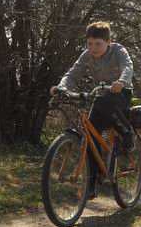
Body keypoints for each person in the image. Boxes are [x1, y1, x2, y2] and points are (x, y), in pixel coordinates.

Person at [50, 21, 134, 199]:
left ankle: (127, 133)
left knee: (103, 101)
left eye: (98, 44)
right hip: (101, 95)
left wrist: (121, 82)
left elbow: (128, 67)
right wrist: (61, 86)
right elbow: (73, 73)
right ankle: (91, 185)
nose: (93, 48)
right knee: (90, 136)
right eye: (89, 44)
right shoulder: (86, 55)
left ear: (108, 42)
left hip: (121, 94)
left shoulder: (118, 50)